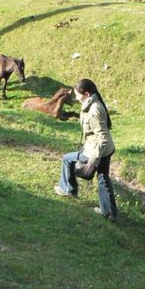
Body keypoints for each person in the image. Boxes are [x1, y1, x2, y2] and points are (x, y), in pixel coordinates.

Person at [54, 78, 119, 221]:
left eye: (78, 95)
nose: (76, 98)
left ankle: (67, 190)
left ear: (87, 94)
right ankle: (109, 213)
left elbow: (102, 138)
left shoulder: (95, 109)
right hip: (105, 150)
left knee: (67, 159)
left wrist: (93, 161)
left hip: (97, 151)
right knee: (103, 178)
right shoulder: (91, 103)